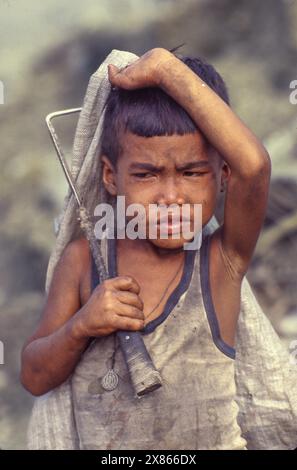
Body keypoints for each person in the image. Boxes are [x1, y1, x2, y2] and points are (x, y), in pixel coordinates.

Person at [21, 47, 289, 450]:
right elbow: (35, 376)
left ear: (222, 175)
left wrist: (167, 70)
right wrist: (82, 325)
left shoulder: (221, 262)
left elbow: (255, 166)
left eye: (191, 172)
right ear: (111, 177)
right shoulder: (83, 263)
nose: (171, 196)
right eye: (146, 174)